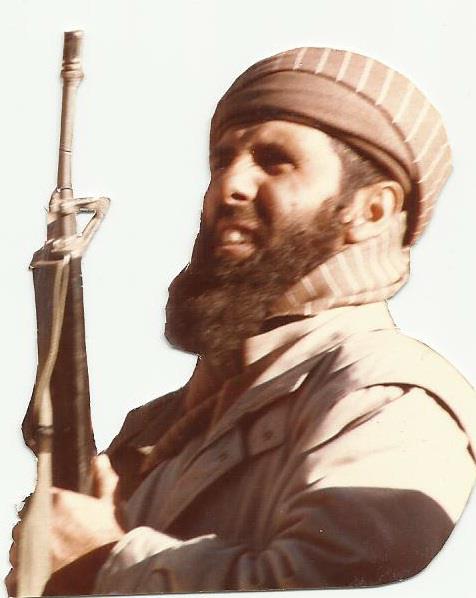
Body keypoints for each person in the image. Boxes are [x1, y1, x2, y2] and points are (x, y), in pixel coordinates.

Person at [7, 46, 476, 595]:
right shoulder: (161, 427)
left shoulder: (384, 395)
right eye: (222, 160)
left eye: (274, 161)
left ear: (371, 211)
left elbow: (333, 587)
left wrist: (106, 562)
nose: (230, 185)